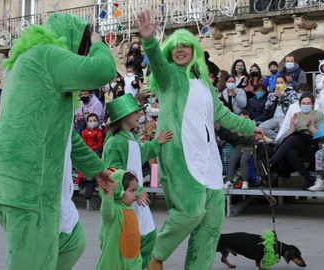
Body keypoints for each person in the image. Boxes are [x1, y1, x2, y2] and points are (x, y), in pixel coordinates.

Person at [0, 13, 116, 269]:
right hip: (25, 180)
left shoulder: (40, 67)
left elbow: (67, 136)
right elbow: (103, 70)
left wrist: (96, 169)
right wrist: (100, 42)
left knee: (71, 241)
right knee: (31, 261)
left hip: (24, 180)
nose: (84, 56)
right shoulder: (47, 55)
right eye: (84, 49)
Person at [137, 10, 262, 270]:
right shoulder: (170, 76)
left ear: (194, 50)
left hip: (209, 160)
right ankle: (155, 255)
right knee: (190, 212)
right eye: (175, 47)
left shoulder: (204, 84)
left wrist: (252, 127)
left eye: (186, 46)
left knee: (211, 223)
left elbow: (224, 115)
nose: (180, 50)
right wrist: (150, 42)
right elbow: (157, 64)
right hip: (181, 156)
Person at [101, 94, 172, 268]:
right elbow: (112, 172)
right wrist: (135, 190)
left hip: (136, 198)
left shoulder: (130, 137)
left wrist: (156, 142)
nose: (139, 114)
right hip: (126, 201)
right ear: (124, 117)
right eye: (134, 113)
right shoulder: (115, 142)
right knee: (129, 243)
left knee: (148, 236)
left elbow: (141, 153)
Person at [270, 93, 324, 188]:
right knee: (291, 153)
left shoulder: (319, 115)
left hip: (312, 143)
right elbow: (288, 135)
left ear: (312, 104)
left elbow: (323, 136)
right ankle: (308, 178)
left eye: (308, 103)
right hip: (298, 143)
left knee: (295, 138)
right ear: (300, 105)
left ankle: (272, 161)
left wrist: (310, 126)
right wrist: (293, 125)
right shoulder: (297, 115)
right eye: (303, 103)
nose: (306, 105)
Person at [96, 170, 143, 269]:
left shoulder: (129, 207)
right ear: (119, 190)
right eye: (132, 191)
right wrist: (109, 193)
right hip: (115, 259)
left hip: (134, 257)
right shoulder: (114, 210)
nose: (135, 194)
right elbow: (106, 211)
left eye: (135, 190)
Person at [221, 110, 256, 190]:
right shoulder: (237, 127)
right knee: (232, 161)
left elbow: (251, 140)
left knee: (243, 161)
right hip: (238, 147)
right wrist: (237, 133)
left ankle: (245, 181)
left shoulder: (253, 126)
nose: (243, 120)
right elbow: (234, 139)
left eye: (246, 118)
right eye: (241, 118)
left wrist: (245, 133)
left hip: (249, 147)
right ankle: (229, 181)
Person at [259, 75, 298, 140]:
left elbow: (295, 105)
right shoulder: (272, 94)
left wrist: (284, 97)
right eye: (277, 83)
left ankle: (278, 141)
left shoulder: (291, 93)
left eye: (281, 82)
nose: (279, 84)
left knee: (282, 128)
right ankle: (278, 139)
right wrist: (275, 96)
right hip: (274, 117)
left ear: (286, 83)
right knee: (261, 127)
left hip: (285, 117)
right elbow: (267, 107)